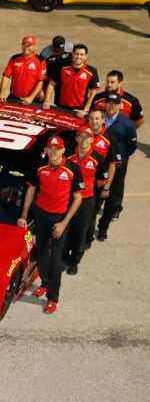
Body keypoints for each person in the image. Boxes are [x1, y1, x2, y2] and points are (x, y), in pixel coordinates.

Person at [18, 135, 84, 314]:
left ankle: (53, 298)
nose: (54, 152)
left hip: (60, 218)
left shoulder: (73, 168)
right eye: (50, 149)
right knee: (40, 253)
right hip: (41, 215)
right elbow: (31, 188)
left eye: (57, 149)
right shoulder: (40, 166)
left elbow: (78, 198)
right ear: (46, 150)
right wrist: (24, 214)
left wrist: (63, 223)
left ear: (63, 150)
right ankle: (45, 283)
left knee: (55, 259)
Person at [63, 126, 107, 275]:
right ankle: (63, 257)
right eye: (80, 136)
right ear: (76, 138)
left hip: (87, 201)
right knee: (65, 230)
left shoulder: (98, 159)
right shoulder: (67, 156)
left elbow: (102, 180)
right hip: (68, 199)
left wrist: (89, 190)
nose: (83, 140)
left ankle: (74, 261)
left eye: (87, 137)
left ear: (92, 139)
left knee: (80, 232)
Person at [96, 92, 137, 240]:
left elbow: (132, 146)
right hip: (98, 164)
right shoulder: (97, 119)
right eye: (109, 103)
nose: (111, 106)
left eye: (115, 103)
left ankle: (103, 227)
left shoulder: (127, 124)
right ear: (105, 104)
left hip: (117, 166)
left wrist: (121, 158)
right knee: (94, 194)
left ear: (120, 105)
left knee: (112, 198)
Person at [85, 108, 119, 248]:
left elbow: (112, 165)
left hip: (97, 184)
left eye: (97, 118)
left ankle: (87, 239)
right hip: (80, 182)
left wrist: (106, 186)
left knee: (91, 214)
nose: (94, 122)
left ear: (103, 120)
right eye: (92, 118)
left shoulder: (110, 139)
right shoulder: (83, 135)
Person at [43, 44, 99, 117]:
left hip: (79, 110)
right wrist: (47, 100)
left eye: (82, 54)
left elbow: (93, 92)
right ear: (72, 54)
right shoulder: (63, 67)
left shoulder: (92, 71)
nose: (78, 56)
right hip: (61, 107)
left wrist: (85, 110)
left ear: (86, 56)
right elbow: (51, 83)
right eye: (76, 54)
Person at [0, 35, 46, 105]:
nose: (26, 48)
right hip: (13, 97)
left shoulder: (40, 61)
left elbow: (40, 81)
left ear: (34, 46)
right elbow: (6, 76)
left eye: (29, 46)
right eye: (24, 45)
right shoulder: (14, 58)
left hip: (31, 99)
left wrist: (31, 98)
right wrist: (1, 93)